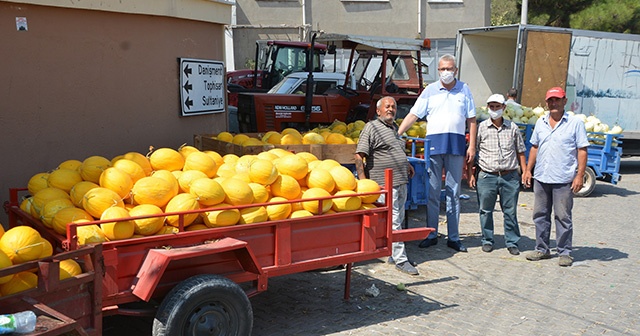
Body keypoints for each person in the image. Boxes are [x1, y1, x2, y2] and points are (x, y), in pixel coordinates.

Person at [397, 54, 477, 253]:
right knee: (432, 192)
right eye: (442, 69)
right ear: (438, 70)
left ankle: (454, 237)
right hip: (434, 146)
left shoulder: (464, 89)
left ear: (456, 70)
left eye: (449, 69)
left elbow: (472, 119)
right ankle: (431, 233)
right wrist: (397, 133)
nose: (446, 72)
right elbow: (414, 114)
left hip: (456, 146)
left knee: (454, 192)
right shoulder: (430, 91)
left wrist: (472, 145)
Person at [522, 87, 589, 267]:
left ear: (564, 101)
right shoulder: (540, 122)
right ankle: (542, 249)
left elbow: (582, 150)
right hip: (542, 177)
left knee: (563, 216)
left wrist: (579, 176)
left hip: (563, 179)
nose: (553, 103)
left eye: (557, 100)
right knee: (540, 215)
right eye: (550, 100)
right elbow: (534, 147)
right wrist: (528, 170)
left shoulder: (575, 123)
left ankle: (565, 252)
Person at [355, 96, 418, 275]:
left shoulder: (394, 128)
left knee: (398, 219)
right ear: (378, 110)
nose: (390, 109)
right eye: (387, 106)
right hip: (384, 184)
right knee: (395, 221)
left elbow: (395, 149)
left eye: (393, 107)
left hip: (400, 181)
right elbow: (359, 155)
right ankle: (401, 260)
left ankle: (392, 252)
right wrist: (363, 182)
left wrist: (407, 164)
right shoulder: (371, 127)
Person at [467, 94, 527, 255]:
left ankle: (512, 241)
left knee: (510, 211)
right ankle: (487, 239)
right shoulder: (481, 128)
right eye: (491, 107)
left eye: (497, 107)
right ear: (488, 108)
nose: (494, 110)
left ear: (504, 108)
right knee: (485, 210)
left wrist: (525, 171)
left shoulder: (512, 127)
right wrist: (470, 174)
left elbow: (520, 151)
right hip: (487, 175)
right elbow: (472, 152)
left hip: (509, 175)